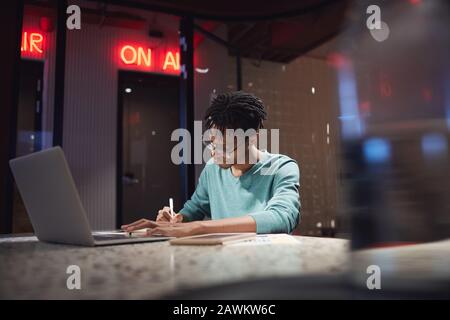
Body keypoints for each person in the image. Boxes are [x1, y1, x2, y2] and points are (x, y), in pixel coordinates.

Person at [121, 91, 300, 237]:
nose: (215, 154)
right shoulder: (212, 169)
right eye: (213, 144)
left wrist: (202, 227)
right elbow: (195, 208)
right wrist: (176, 220)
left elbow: (282, 217)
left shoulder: (281, 168)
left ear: (252, 138)